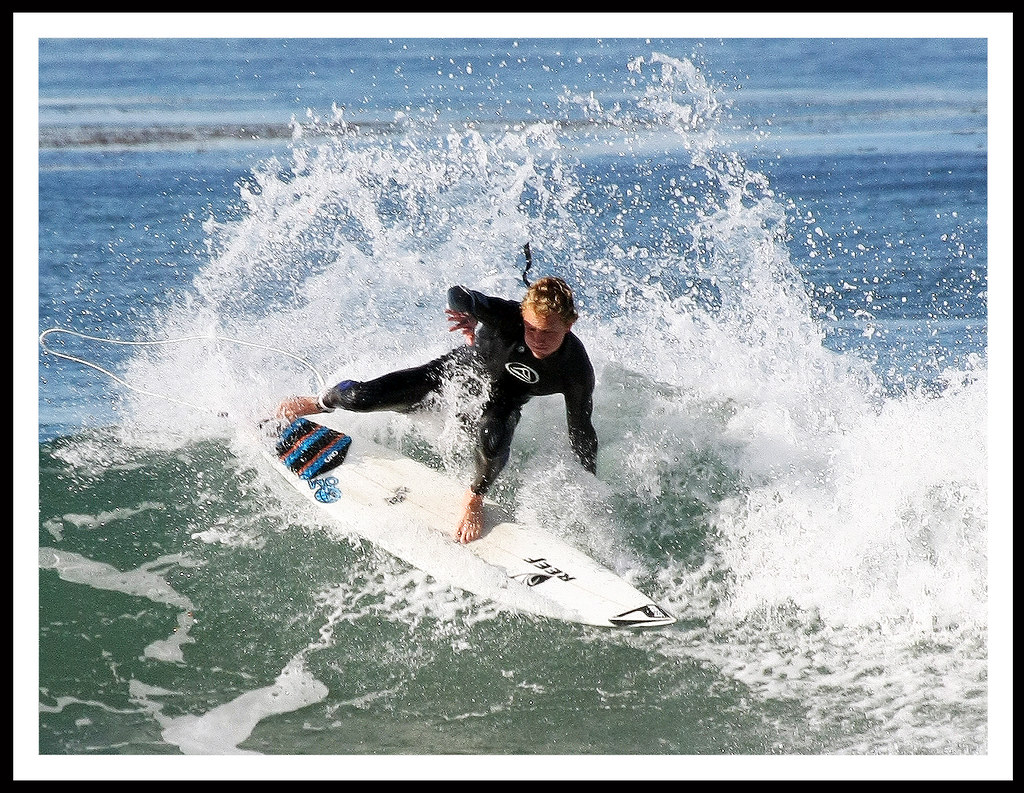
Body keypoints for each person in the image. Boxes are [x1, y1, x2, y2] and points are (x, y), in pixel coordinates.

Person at [276, 276, 598, 544]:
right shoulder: (507, 315)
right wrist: (468, 311)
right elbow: (457, 294)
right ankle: (320, 402)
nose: (537, 340)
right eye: (531, 329)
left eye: (549, 333)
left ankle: (474, 496)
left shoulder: (575, 370)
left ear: (570, 325)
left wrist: (588, 484)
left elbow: (581, 430)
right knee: (360, 397)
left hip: (502, 404)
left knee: (493, 438)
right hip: (451, 377)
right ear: (522, 317)